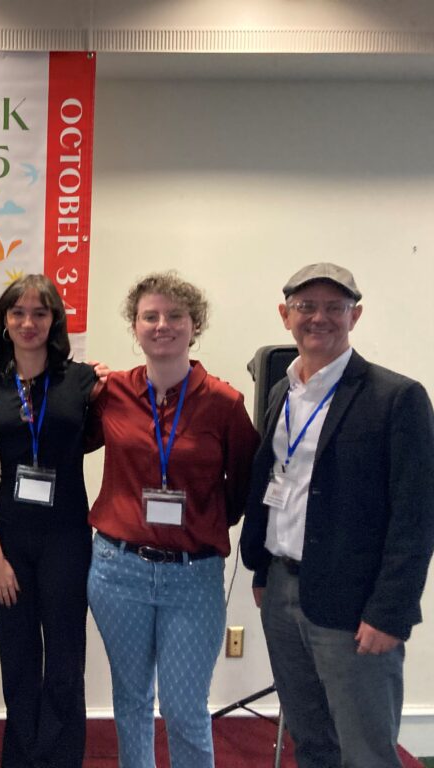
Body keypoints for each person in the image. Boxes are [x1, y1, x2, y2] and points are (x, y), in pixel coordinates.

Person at [241, 263, 434, 768]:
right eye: (306, 307)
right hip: (282, 591)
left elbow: (416, 519)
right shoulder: (284, 392)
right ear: (285, 316)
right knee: (313, 743)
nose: (319, 318)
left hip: (355, 607)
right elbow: (276, 485)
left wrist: (389, 612)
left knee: (366, 751)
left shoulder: (397, 398)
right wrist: (263, 568)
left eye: (334, 307)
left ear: (356, 315)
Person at [86, 272, 259, 768]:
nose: (162, 325)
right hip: (118, 570)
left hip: (192, 575)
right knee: (132, 703)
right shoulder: (110, 392)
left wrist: (201, 523)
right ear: (135, 327)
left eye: (175, 316)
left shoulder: (224, 403)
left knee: (185, 710)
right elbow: (67, 434)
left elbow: (244, 483)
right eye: (150, 316)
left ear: (194, 325)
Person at [0, 274, 106, 768]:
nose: (28, 323)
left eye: (40, 313)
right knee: (19, 659)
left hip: (68, 535)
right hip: (11, 540)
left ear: (55, 321)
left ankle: (60, 758)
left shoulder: (85, 380)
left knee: (66, 660)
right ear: (4, 321)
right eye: (18, 313)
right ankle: (22, 758)